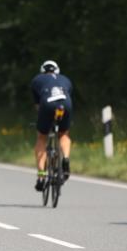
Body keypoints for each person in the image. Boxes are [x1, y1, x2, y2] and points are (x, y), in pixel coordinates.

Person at [30, 60, 73, 191]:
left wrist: (42, 122)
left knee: (42, 137)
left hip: (47, 104)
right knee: (64, 133)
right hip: (65, 104)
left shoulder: (37, 80)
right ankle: (65, 159)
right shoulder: (66, 79)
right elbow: (68, 96)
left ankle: (41, 176)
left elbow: (38, 106)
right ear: (57, 70)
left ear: (42, 71)